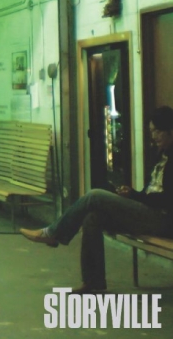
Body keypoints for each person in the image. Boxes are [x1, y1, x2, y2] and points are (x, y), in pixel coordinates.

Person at [20, 106, 173, 294]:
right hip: (147, 212)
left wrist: (136, 196)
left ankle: (52, 233)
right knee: (93, 217)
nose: (154, 136)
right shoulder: (160, 155)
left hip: (162, 219)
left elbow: (167, 200)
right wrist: (134, 193)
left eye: (157, 131)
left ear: (170, 130)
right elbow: (151, 191)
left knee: (95, 196)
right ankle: (93, 282)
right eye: (151, 131)